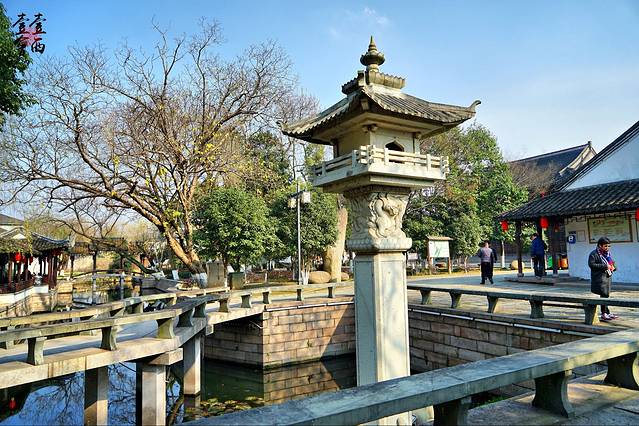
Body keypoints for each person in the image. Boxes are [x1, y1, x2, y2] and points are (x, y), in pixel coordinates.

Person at [589, 237, 617, 321]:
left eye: (608, 246)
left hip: (607, 277)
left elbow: (612, 263)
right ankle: (604, 313)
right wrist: (605, 266)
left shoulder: (607, 254)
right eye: (605, 246)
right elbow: (591, 265)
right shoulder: (594, 254)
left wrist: (614, 267)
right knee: (604, 295)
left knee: (606, 295)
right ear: (600, 246)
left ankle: (607, 312)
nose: (607, 248)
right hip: (599, 278)